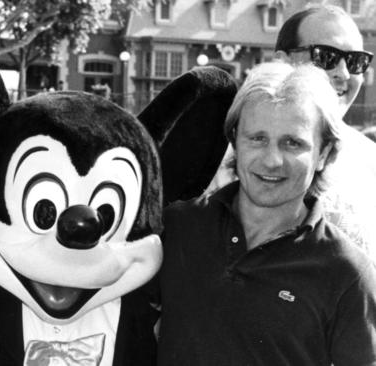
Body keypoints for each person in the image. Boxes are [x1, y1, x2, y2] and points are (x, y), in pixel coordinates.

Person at [157, 62, 376, 365]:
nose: (272, 160)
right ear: (235, 141)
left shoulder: (347, 272)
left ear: (324, 154)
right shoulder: (177, 228)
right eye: (257, 138)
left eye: (292, 143)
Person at [207, 5, 376, 262]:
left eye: (355, 62)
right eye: (325, 56)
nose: (343, 73)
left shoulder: (369, 160)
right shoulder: (225, 156)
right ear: (282, 60)